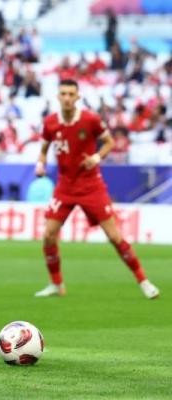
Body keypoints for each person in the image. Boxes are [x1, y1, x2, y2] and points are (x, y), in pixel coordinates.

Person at [34, 79, 159, 299]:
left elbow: (109, 142)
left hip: (91, 185)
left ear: (78, 97)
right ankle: (56, 284)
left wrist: (95, 157)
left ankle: (143, 280)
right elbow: (44, 148)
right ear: (57, 96)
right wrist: (40, 163)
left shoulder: (90, 119)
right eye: (63, 94)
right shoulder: (50, 122)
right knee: (49, 235)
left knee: (114, 235)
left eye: (71, 94)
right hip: (65, 186)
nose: (66, 98)